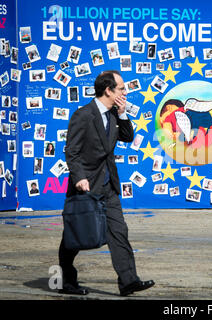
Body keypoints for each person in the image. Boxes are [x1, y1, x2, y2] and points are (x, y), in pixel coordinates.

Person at [58, 70, 154, 296]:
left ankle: (129, 281)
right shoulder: (83, 115)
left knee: (119, 230)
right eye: (121, 88)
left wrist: (122, 114)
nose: (125, 92)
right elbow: (71, 151)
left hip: (108, 185)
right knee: (74, 237)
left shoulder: (113, 114)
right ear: (108, 90)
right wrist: (79, 177)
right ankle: (66, 280)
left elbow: (127, 137)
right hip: (86, 185)